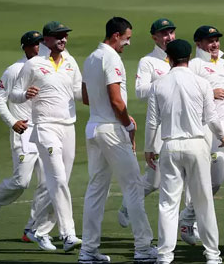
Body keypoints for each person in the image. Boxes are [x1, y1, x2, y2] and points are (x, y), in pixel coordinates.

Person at [79, 17, 156, 264]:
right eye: (127, 38)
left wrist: (114, 112)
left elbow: (86, 97)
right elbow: (116, 100)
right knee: (133, 186)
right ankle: (144, 248)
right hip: (112, 129)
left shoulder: (90, 58)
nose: (128, 43)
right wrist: (128, 124)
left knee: (96, 189)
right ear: (115, 35)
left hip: (93, 127)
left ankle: (88, 251)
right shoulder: (111, 58)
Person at [145, 38, 224, 264]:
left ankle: (164, 255)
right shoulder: (201, 83)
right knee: (203, 201)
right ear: (189, 58)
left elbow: (152, 122)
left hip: (170, 145)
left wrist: (149, 148)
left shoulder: (158, 84)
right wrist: (221, 135)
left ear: (168, 58)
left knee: (168, 203)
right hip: (196, 144)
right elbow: (211, 117)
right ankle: (212, 255)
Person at [10, 21, 82, 252]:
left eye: (65, 36)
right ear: (45, 40)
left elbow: (80, 92)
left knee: (59, 182)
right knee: (58, 180)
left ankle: (37, 230)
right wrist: (24, 94)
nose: (63, 39)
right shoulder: (34, 64)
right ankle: (68, 234)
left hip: (68, 127)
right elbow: (14, 93)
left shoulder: (71, 62)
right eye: (58, 36)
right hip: (45, 126)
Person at [0, 30, 56, 250]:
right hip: (23, 131)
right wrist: (13, 121)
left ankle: (32, 229)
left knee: (48, 182)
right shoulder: (14, 70)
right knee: (21, 181)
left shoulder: (47, 68)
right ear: (25, 47)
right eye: (35, 44)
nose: (39, 47)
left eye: (41, 43)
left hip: (44, 130)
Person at [179, 25, 224, 245]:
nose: (215, 44)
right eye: (209, 41)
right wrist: (209, 92)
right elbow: (186, 94)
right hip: (207, 129)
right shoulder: (195, 65)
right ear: (198, 44)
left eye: (217, 40)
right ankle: (188, 218)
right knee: (213, 182)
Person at [117, 18, 176, 228]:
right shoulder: (148, 61)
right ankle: (127, 203)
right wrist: (167, 84)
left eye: (171, 33)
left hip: (181, 125)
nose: (168, 37)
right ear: (155, 37)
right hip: (159, 126)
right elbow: (141, 91)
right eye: (164, 34)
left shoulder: (180, 57)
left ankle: (187, 224)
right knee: (154, 180)